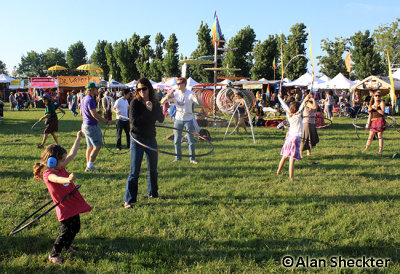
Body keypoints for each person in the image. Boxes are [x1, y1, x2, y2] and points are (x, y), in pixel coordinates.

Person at [33, 132, 92, 264]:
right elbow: (57, 179)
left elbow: (72, 153)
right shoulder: (48, 173)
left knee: (76, 227)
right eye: (62, 160)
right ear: (52, 161)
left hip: (72, 203)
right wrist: (67, 179)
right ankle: (54, 254)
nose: (64, 161)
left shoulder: (60, 166)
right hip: (64, 207)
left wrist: (78, 138)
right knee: (66, 231)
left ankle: (66, 245)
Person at [124, 78, 164, 208]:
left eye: (144, 88)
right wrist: (147, 111)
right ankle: (128, 200)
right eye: (139, 89)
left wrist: (154, 108)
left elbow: (161, 119)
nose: (141, 91)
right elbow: (134, 122)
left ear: (149, 89)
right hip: (138, 139)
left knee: (153, 169)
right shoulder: (134, 103)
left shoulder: (154, 102)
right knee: (134, 171)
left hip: (151, 139)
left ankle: (153, 193)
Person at [161, 77, 202, 164]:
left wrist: (197, 97)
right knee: (176, 140)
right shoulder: (175, 94)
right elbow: (162, 102)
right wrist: (166, 97)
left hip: (189, 119)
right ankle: (177, 158)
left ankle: (192, 159)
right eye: (177, 83)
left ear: (184, 84)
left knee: (190, 140)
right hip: (178, 119)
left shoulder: (190, 94)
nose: (178, 85)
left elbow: (199, 103)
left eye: (179, 83)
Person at [276, 92, 311, 181]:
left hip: (289, 137)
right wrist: (306, 99)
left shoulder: (289, 114)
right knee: (292, 159)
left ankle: (278, 171)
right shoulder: (297, 115)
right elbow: (301, 108)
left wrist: (279, 98)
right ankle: (291, 178)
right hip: (295, 138)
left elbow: (284, 105)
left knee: (284, 156)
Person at [80, 82, 113, 172]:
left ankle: (88, 165)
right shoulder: (90, 99)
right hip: (91, 126)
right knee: (97, 146)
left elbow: (81, 113)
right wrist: (106, 121)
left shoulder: (84, 99)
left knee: (89, 146)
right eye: (96, 89)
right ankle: (90, 166)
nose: (98, 91)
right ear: (92, 89)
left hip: (85, 125)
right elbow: (94, 114)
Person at [300, 91, 319, 158]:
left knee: (311, 138)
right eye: (310, 96)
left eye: (312, 96)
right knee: (305, 138)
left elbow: (316, 107)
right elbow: (314, 107)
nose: (312, 97)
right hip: (306, 122)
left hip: (312, 121)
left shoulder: (313, 102)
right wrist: (312, 100)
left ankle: (309, 151)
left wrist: (314, 100)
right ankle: (301, 152)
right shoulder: (306, 103)